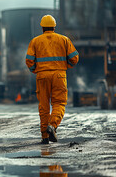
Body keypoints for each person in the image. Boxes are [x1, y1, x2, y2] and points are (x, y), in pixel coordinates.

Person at [25, 15, 79, 144]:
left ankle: (44, 136)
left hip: (42, 76)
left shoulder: (35, 41)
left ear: (42, 27)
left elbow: (29, 60)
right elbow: (75, 58)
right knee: (59, 103)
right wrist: (66, 66)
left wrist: (35, 70)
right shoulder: (64, 39)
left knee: (44, 106)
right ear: (54, 27)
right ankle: (52, 125)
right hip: (59, 75)